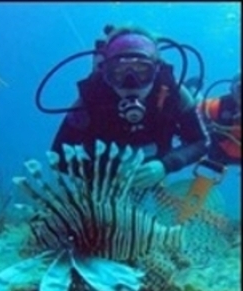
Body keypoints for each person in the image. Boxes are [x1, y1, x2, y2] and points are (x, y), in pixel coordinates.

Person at [48, 26, 210, 189]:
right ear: (105, 72)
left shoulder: (172, 93)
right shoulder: (92, 97)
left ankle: (194, 91)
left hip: (155, 170)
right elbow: (58, 155)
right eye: (119, 72)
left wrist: (166, 165)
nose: (131, 83)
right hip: (107, 183)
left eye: (142, 71)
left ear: (157, 69)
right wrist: (106, 174)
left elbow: (202, 142)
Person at [199, 73, 241, 166]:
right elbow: (190, 113)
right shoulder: (214, 109)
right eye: (241, 90)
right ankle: (193, 88)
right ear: (232, 91)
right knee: (193, 103)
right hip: (218, 154)